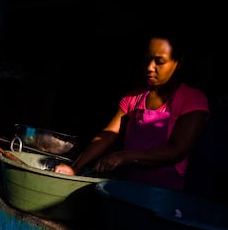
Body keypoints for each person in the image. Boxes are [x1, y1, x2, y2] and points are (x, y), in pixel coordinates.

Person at [54, 28, 210, 191]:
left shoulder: (192, 99)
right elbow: (108, 134)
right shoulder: (133, 97)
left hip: (162, 197)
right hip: (125, 188)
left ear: (178, 63)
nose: (150, 67)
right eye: (147, 60)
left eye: (159, 61)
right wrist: (75, 167)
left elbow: (176, 151)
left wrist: (123, 156)